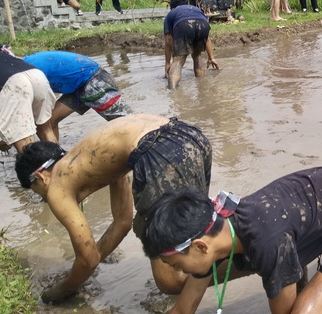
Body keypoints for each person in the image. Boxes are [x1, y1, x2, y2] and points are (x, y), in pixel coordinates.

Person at [140, 167, 322, 314]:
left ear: (199, 246)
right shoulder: (216, 227)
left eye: (175, 264)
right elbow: (183, 309)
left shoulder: (266, 242)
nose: (178, 271)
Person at [14, 114, 213, 303]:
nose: (44, 198)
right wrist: (91, 263)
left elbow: (88, 259)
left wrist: (59, 291)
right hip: (188, 137)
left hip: (160, 152)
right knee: (196, 239)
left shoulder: (56, 185)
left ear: (40, 177)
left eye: (36, 190)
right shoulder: (96, 157)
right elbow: (123, 222)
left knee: (169, 281)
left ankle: (240, 263)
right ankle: (231, 256)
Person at [22, 51, 132, 139]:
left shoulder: (21, 74)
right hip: (77, 85)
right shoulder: (22, 66)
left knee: (127, 123)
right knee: (49, 121)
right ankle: (55, 159)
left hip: (94, 81)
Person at [0, 49, 56, 153]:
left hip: (13, 84)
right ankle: (58, 162)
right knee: (46, 130)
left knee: (26, 144)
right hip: (36, 75)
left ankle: (36, 167)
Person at [163, 0, 220, 89]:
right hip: (202, 24)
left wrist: (167, 63)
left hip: (183, 24)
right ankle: (202, 88)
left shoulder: (171, 13)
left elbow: (168, 40)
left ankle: (172, 92)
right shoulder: (196, 10)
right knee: (197, 55)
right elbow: (207, 38)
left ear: (172, 7)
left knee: (178, 60)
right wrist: (211, 57)